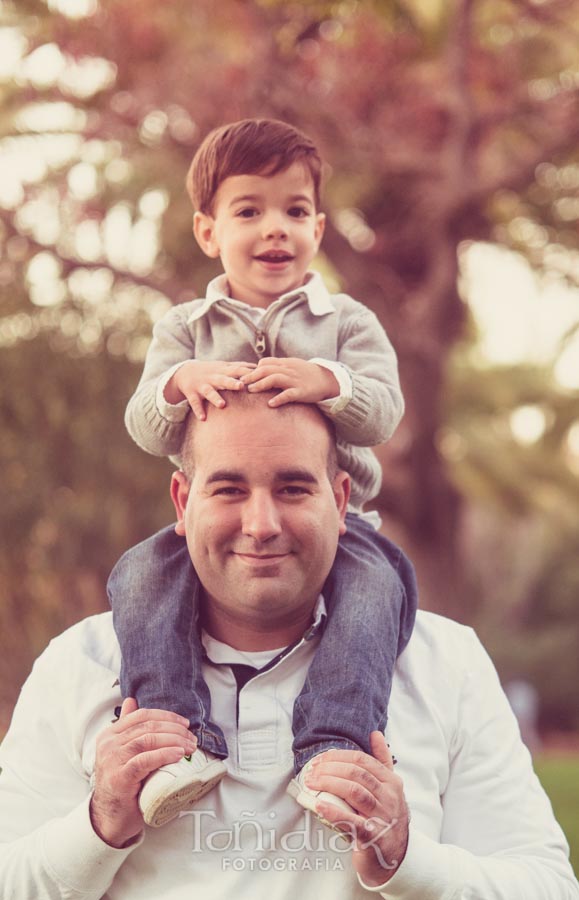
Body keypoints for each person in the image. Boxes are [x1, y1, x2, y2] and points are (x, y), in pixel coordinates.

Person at [0, 392, 578, 900]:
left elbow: (547, 888)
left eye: (293, 487)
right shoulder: (79, 662)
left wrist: (406, 858)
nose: (261, 523)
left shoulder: (445, 662)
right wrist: (99, 822)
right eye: (228, 488)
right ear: (182, 502)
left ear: (340, 499)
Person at [108, 117, 417, 827]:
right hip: (215, 520)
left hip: (337, 526)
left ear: (318, 227)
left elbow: (382, 417)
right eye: (249, 210)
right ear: (208, 231)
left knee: (375, 595)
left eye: (294, 211)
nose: (274, 228)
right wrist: (179, 382)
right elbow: (145, 429)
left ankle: (333, 747)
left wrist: (328, 380)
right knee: (139, 577)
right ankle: (173, 735)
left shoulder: (345, 323)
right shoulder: (185, 328)